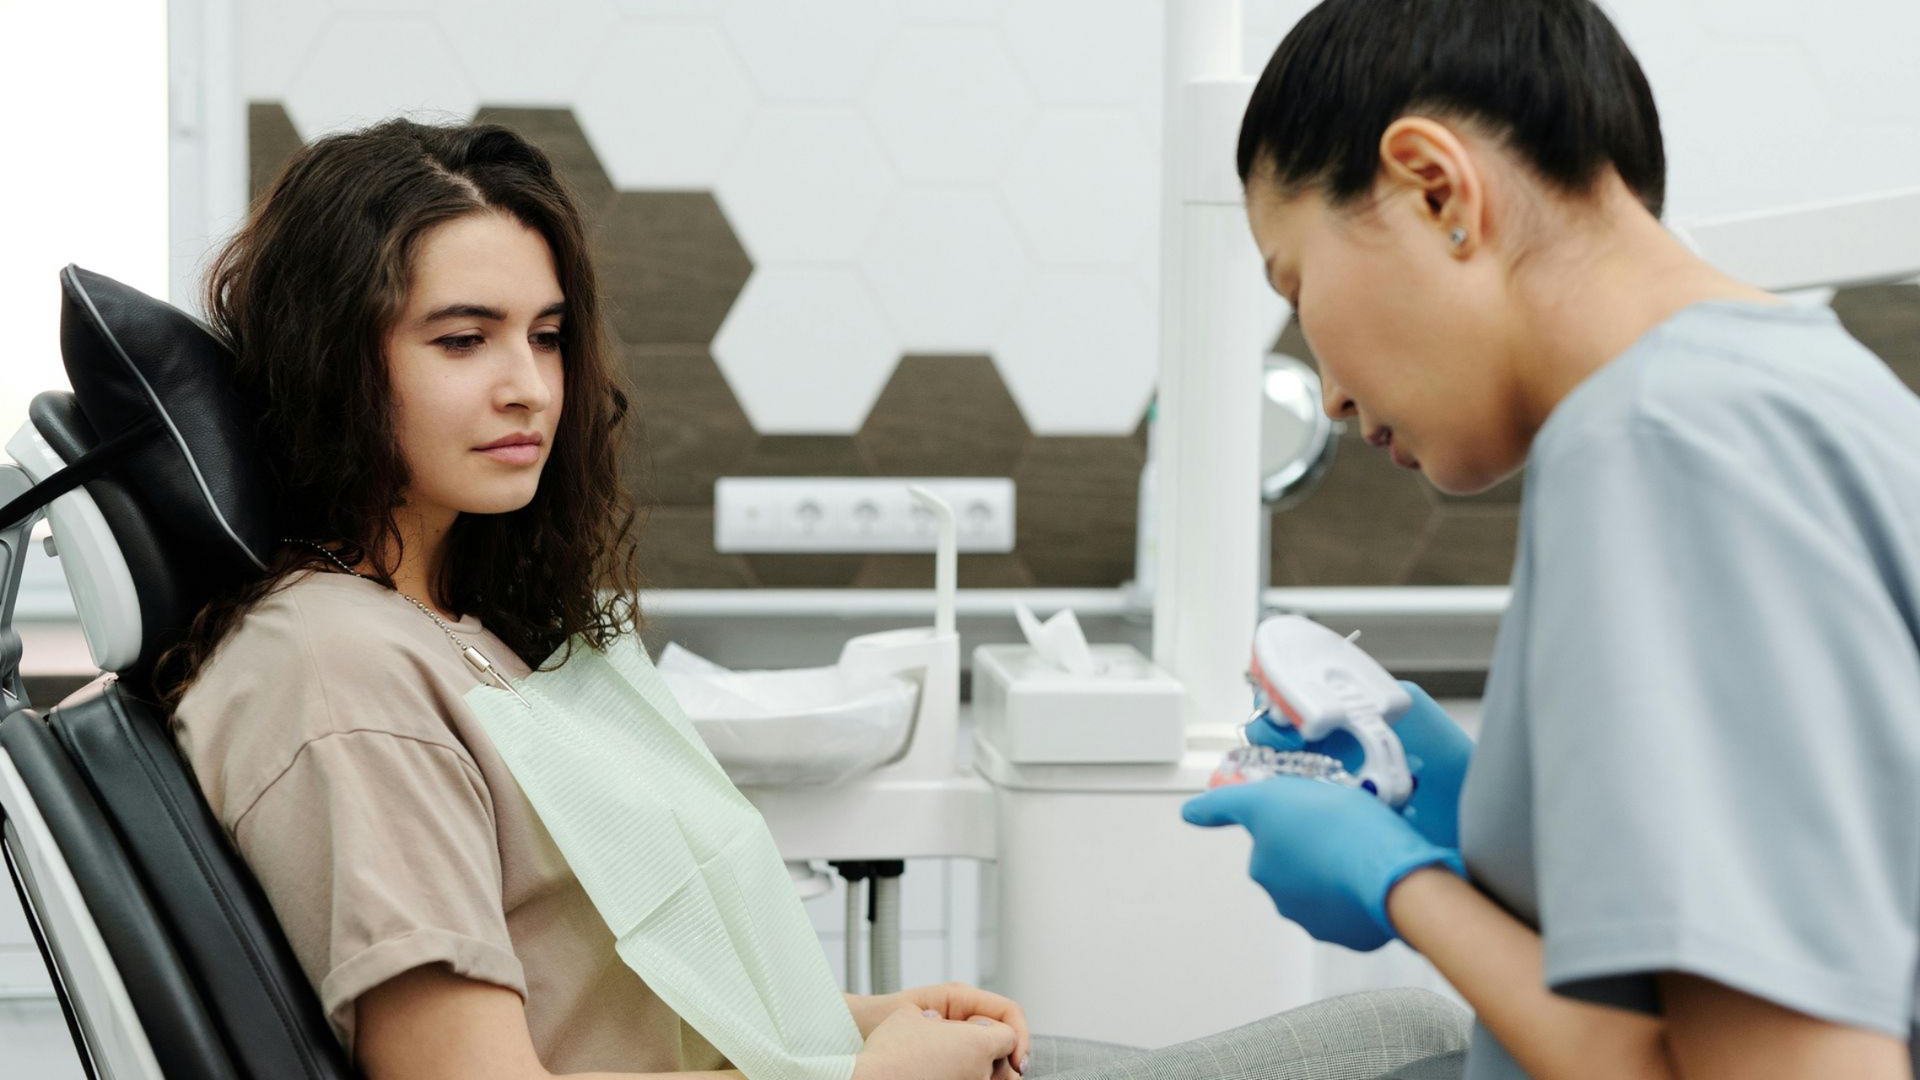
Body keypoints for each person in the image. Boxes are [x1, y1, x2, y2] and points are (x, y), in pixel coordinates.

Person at [163, 118, 1468, 1080]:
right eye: (463, 339)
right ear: (335, 360)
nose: (528, 388)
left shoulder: (454, 631)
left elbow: (620, 1014)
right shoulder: (336, 673)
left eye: (546, 335)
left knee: (1420, 1036)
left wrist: (859, 1018)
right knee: (1416, 1044)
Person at [1182, 1, 1920, 1079]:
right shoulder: (1807, 383)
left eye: (1297, 284)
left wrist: (1406, 886)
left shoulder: (1656, 442)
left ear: (1436, 188)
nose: (1330, 394)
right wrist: (1493, 819)